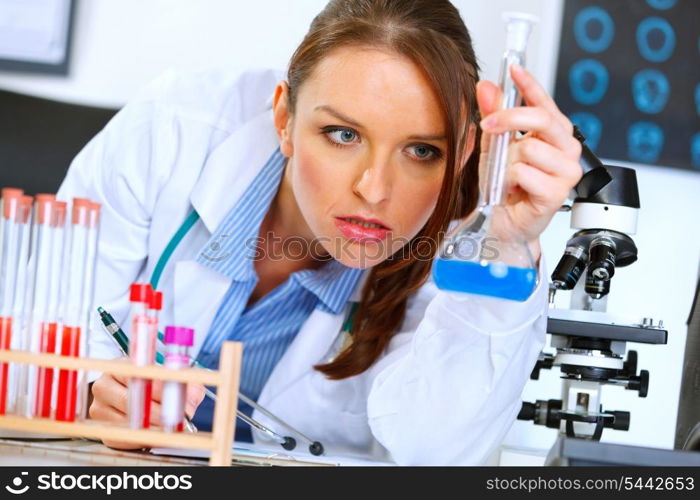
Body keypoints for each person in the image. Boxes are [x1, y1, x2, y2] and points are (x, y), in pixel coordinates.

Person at [57, 0, 582, 465]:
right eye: (343, 134)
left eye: (423, 150)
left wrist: (511, 243)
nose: (374, 190)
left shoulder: (462, 248)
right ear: (284, 117)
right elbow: (50, 320)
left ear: (465, 152)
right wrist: (93, 390)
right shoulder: (172, 129)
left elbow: (434, 451)